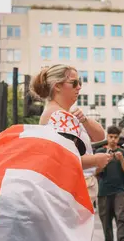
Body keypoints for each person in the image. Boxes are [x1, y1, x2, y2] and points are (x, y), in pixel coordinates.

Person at [36, 63, 108, 202]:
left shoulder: (60, 113)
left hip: (72, 188)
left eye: (79, 82)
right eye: (74, 83)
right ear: (57, 86)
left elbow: (99, 135)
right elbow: (65, 160)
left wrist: (84, 120)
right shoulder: (58, 115)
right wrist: (96, 160)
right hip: (73, 190)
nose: (79, 87)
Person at [97, 125, 124, 241]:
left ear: (118, 138)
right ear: (107, 137)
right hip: (104, 190)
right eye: (110, 137)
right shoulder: (100, 151)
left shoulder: (123, 153)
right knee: (105, 220)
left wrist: (121, 160)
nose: (112, 140)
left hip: (120, 190)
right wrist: (105, 160)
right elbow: (95, 171)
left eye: (115, 137)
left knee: (121, 216)